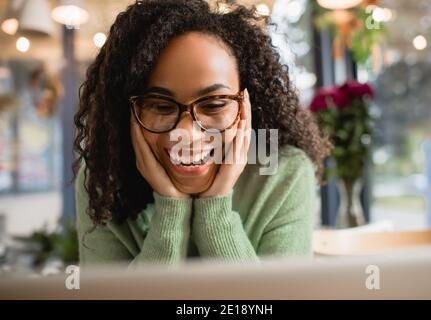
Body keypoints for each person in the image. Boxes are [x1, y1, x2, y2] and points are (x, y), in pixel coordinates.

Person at [74, 0, 331, 267]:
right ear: (128, 109)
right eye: (161, 106)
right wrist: (170, 213)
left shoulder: (283, 174)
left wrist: (215, 211)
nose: (187, 133)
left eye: (214, 104)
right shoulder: (104, 177)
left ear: (246, 105)